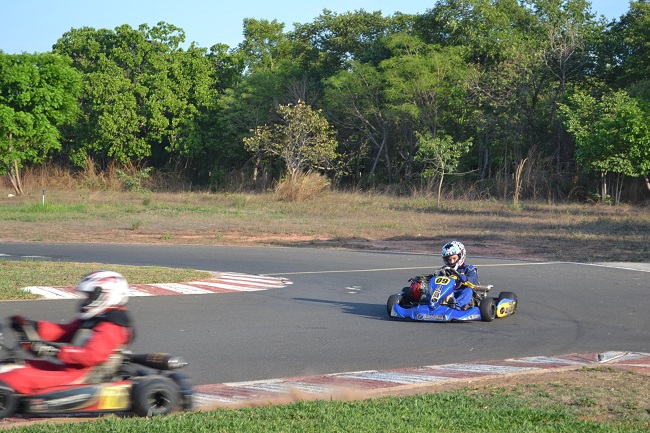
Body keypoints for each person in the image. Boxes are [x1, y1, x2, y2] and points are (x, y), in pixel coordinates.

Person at [0, 270, 134, 395]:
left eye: (90, 297)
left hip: (85, 376)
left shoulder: (113, 324)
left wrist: (54, 351)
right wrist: (33, 326)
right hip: (69, 369)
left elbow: (93, 355)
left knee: (18, 377)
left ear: (106, 295)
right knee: (11, 364)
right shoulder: (96, 318)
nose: (86, 301)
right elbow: (65, 332)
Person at [437, 240, 479, 310]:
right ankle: (430, 302)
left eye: (454, 258)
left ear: (461, 255)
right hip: (448, 291)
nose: (452, 261)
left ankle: (457, 305)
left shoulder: (469, 269)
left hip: (461, 291)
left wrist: (466, 278)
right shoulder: (444, 270)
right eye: (449, 259)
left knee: (468, 290)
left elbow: (474, 280)